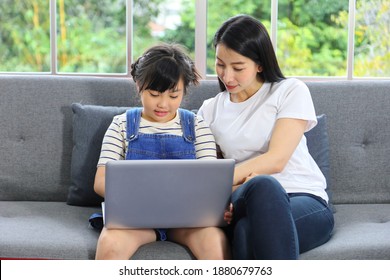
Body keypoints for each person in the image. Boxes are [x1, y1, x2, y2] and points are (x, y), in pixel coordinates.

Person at [198, 14, 334, 260]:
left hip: (303, 196)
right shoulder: (210, 110)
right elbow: (202, 172)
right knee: (261, 185)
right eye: (220, 64)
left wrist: (224, 182)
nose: (227, 77)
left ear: (260, 64)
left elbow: (276, 160)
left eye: (238, 68)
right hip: (243, 197)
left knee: (245, 232)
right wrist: (227, 191)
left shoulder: (290, 91)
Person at [93, 44, 230, 260]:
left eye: (174, 96)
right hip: (135, 220)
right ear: (139, 85)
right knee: (110, 243)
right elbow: (101, 182)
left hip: (187, 220)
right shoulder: (121, 124)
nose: (163, 104)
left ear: (184, 91)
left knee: (215, 243)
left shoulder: (197, 126)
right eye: (154, 94)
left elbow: (210, 184)